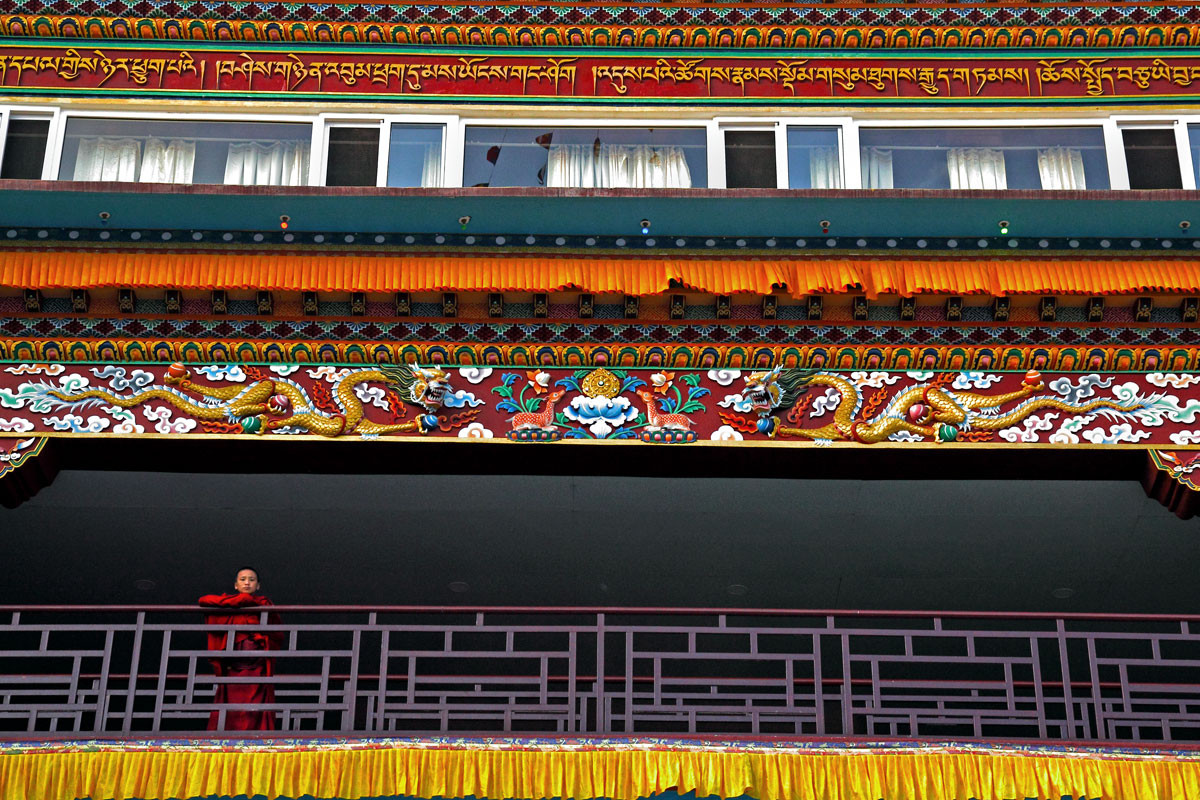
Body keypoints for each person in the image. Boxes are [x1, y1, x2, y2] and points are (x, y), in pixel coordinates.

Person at [199, 567, 283, 731]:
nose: (247, 582)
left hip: (256, 669)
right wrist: (244, 600)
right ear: (236, 585)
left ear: (258, 586)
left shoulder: (264, 604)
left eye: (251, 580)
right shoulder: (230, 602)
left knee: (254, 712)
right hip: (232, 670)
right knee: (231, 710)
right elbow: (203, 600)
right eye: (243, 579)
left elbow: (277, 634)